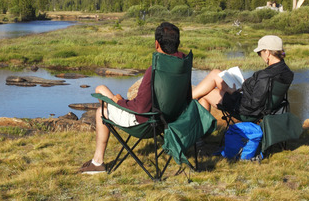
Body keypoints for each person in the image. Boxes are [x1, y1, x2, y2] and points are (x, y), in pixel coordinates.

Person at [79, 22, 188, 174]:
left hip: (147, 122)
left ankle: (97, 163)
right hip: (171, 119)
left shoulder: (156, 69)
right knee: (101, 89)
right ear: (178, 42)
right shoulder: (183, 63)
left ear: (157, 44)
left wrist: (119, 102)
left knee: (100, 110)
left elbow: (140, 108)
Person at [191, 35, 293, 119]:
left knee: (205, 94)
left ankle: (186, 103)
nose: (259, 55)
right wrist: (249, 83)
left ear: (267, 52)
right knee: (215, 73)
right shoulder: (285, 71)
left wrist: (233, 93)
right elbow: (263, 90)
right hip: (263, 107)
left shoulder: (264, 76)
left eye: (259, 53)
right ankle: (187, 99)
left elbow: (252, 105)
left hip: (245, 110)